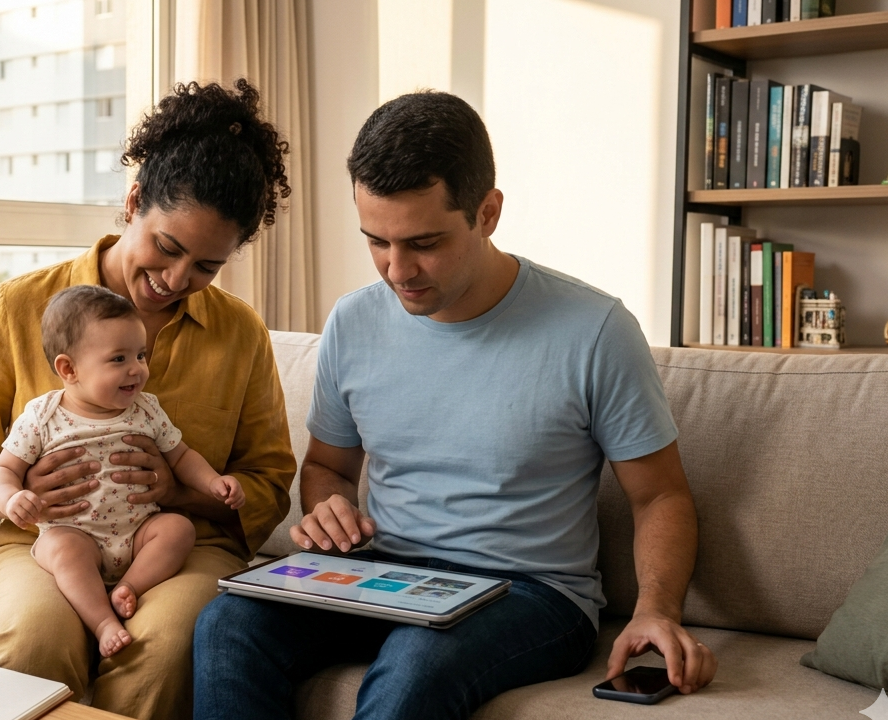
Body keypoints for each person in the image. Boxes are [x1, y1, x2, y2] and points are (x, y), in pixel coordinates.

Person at [192, 91, 719, 719]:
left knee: (419, 660)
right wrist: (328, 506)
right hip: (383, 574)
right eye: (376, 241)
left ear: (488, 213)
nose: (396, 269)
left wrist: (656, 611)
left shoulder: (594, 329)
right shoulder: (354, 321)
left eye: (424, 242)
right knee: (229, 624)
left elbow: (660, 495)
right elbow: (329, 466)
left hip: (530, 593)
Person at [0, 79, 296, 720]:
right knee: (33, 642)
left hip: (183, 546)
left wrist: (180, 492)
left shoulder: (239, 333)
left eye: (206, 266)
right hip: (43, 538)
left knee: (157, 650)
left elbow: (269, 481)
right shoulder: (19, 308)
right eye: (168, 247)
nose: (177, 281)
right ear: (132, 203)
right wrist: (19, 494)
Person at [0, 284, 245, 658]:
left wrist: (212, 482)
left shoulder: (147, 409)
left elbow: (181, 455)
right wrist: (12, 497)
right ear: (69, 368)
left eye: (140, 355)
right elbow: (3, 469)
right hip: (75, 533)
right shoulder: (42, 417)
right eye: (118, 359)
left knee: (178, 529)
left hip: (138, 531)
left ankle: (128, 587)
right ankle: (103, 621)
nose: (136, 369)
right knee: (61, 550)